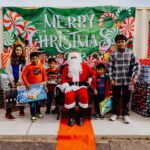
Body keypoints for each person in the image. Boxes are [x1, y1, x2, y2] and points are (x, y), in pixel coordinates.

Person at [108, 34, 140, 124]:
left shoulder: (131, 53)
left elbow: (138, 66)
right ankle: (115, 113)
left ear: (126, 43)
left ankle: (125, 114)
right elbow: (110, 67)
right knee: (116, 98)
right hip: (116, 80)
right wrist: (111, 79)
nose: (121, 43)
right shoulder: (113, 54)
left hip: (128, 81)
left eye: (122, 42)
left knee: (127, 98)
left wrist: (135, 78)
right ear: (116, 43)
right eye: (118, 42)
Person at [61, 51, 95, 126]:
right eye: (72, 57)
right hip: (69, 86)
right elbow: (63, 79)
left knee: (84, 96)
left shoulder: (85, 66)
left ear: (78, 58)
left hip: (81, 86)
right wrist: (66, 87)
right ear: (69, 58)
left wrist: (89, 82)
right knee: (69, 96)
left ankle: (81, 116)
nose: (73, 59)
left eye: (75, 57)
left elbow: (93, 74)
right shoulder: (66, 67)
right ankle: (72, 117)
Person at [22, 52, 47, 121]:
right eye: (33, 59)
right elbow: (23, 76)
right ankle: (33, 114)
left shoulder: (41, 66)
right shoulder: (28, 67)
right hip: (31, 88)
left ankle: (38, 112)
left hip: (39, 88)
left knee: (38, 102)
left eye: (36, 58)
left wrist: (45, 83)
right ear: (30, 59)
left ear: (38, 59)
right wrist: (27, 84)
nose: (35, 60)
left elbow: (44, 76)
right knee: (32, 102)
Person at [6, 44, 27, 119]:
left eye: (20, 50)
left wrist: (20, 81)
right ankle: (8, 113)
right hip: (12, 80)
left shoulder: (24, 60)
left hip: (21, 81)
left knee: (22, 96)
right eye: (17, 50)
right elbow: (8, 71)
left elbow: (25, 72)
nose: (18, 51)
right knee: (10, 97)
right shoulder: (10, 59)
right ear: (14, 51)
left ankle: (21, 110)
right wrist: (12, 82)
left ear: (22, 51)